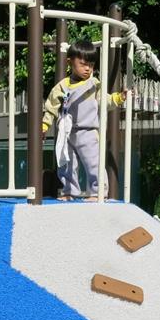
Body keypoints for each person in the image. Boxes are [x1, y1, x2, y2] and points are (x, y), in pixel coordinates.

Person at [42, 40, 127, 200]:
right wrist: (44, 125)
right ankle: (69, 191)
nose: (88, 68)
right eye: (83, 64)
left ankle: (97, 192)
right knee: (66, 164)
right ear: (70, 62)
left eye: (91, 65)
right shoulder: (62, 86)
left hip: (88, 132)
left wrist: (118, 98)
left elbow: (105, 100)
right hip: (67, 132)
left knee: (94, 162)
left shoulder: (93, 84)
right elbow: (51, 107)